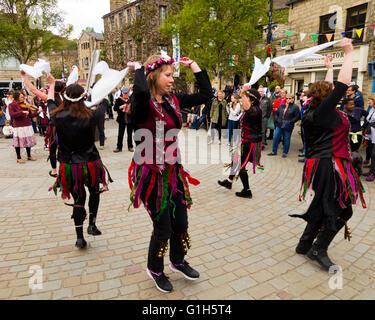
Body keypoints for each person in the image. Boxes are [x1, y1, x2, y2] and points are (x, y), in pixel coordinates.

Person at [128, 54, 212, 293]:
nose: (172, 80)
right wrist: (138, 68)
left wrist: (194, 66)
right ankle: (155, 269)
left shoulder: (174, 100)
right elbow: (142, 92)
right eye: (167, 75)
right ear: (153, 77)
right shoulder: (142, 103)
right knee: (162, 227)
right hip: (150, 174)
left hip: (173, 171)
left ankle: (177, 261)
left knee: (181, 221)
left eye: (172, 75)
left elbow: (206, 95)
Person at [291, 38, 366, 271]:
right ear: (327, 97)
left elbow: (332, 87)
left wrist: (330, 69)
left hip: (326, 164)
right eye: (331, 92)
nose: (337, 94)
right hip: (329, 165)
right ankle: (318, 248)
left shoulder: (317, 110)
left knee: (322, 206)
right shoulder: (323, 112)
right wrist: (349, 52)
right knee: (341, 209)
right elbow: (343, 85)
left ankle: (305, 244)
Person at [46, 74, 112, 249]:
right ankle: (92, 223)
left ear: (65, 97)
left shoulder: (56, 115)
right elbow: (104, 101)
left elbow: (50, 100)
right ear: (83, 97)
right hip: (90, 162)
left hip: (69, 165)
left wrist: (52, 84)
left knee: (78, 199)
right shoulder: (93, 114)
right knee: (94, 192)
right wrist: (106, 87)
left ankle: (80, 237)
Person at [218, 87, 263, 198]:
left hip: (250, 143)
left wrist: (243, 91)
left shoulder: (255, 110)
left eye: (246, 98)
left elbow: (247, 107)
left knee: (241, 166)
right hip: (244, 140)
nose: (242, 100)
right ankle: (229, 181)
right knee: (236, 159)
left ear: (252, 100)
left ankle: (247, 191)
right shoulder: (251, 109)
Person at [21, 71, 65, 178]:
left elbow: (33, 90)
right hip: (65, 126)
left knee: (53, 148)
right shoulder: (66, 98)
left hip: (54, 127)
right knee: (65, 148)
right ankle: (65, 169)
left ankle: (54, 170)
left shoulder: (50, 98)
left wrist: (24, 76)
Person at [8, 90, 38, 163]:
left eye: (23, 97)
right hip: (19, 126)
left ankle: (29, 155)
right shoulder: (11, 105)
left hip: (27, 124)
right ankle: (18, 157)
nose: (23, 98)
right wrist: (22, 112)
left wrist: (37, 113)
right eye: (21, 97)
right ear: (17, 97)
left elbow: (30, 115)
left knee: (28, 141)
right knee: (18, 142)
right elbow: (12, 115)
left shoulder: (25, 104)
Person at [113, 88, 134, 153]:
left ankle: (130, 147)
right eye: (124, 93)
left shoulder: (131, 100)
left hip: (130, 120)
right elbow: (115, 109)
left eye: (126, 93)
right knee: (120, 134)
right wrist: (120, 107)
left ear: (128, 93)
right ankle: (119, 147)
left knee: (130, 134)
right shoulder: (119, 100)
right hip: (121, 120)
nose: (125, 95)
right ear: (122, 93)